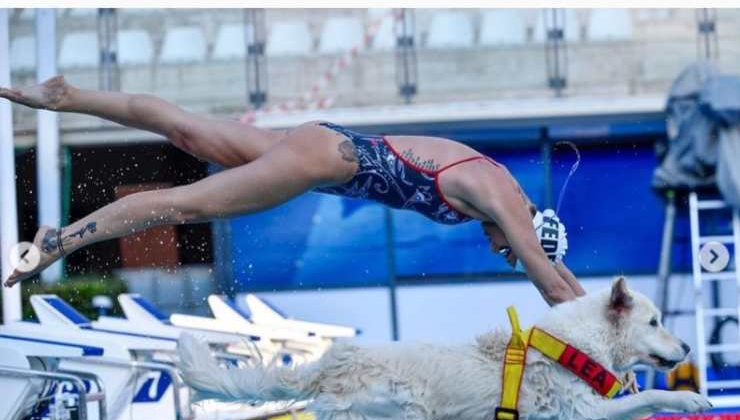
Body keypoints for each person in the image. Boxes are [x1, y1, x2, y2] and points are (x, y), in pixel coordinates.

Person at [0, 76, 584, 304]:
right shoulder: (503, 195)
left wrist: (597, 304)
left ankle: (71, 98)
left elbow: (547, 270)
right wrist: (609, 348)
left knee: (190, 132)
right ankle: (60, 241)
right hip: (321, 161)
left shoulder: (495, 195)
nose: (499, 251)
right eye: (507, 246)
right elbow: (547, 278)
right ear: (528, 225)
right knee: (186, 205)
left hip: (323, 153)